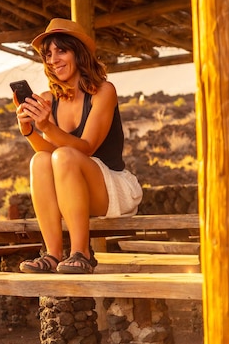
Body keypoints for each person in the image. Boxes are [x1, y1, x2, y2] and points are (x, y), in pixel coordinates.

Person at [15, 18, 143, 274]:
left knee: (64, 156)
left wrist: (48, 127)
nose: (54, 59)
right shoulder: (48, 99)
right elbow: (49, 156)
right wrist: (29, 130)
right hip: (72, 187)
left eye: (62, 50)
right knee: (39, 160)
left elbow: (85, 147)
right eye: (48, 54)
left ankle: (81, 252)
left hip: (113, 188)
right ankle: (52, 253)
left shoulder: (103, 91)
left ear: (79, 54)